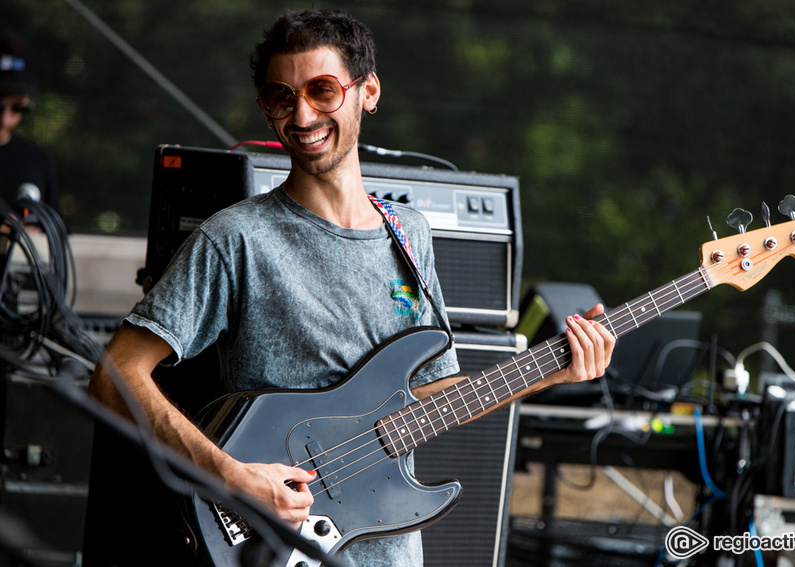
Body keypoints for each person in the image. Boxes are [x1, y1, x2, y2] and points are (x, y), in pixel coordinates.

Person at [85, 8, 615, 566]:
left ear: (368, 92)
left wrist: (552, 369)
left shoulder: (408, 234)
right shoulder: (236, 238)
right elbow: (113, 373)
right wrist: (231, 475)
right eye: (280, 97)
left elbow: (430, 399)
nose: (302, 114)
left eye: (321, 90)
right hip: (274, 544)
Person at [0, 26, 59, 212]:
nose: (5, 120)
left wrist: (33, 232)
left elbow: (54, 231)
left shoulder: (38, 162)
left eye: (18, 108)